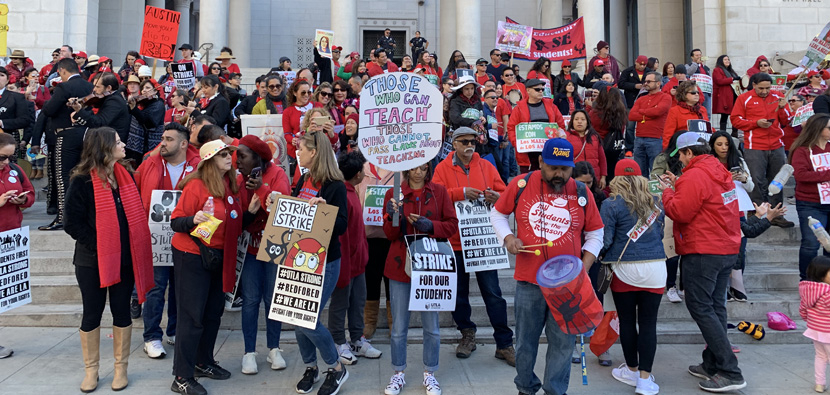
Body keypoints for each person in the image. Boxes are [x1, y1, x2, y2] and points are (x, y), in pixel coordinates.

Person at [491, 138, 604, 395]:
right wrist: (508, 238)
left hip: (568, 287)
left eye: (565, 169)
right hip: (529, 283)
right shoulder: (520, 185)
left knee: (563, 344)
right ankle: (526, 388)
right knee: (524, 344)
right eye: (553, 167)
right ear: (540, 161)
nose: (559, 174)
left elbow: (596, 232)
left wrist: (583, 269)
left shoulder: (581, 191)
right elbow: (498, 213)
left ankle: (555, 390)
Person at [64, 127, 154, 392]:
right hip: (91, 261)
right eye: (117, 141)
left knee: (121, 312)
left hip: (125, 260)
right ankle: (91, 371)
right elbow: (72, 223)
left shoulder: (125, 175)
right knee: (92, 314)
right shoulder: (81, 180)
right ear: (104, 147)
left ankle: (120, 369)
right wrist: (102, 245)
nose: (123, 144)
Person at [657, 132, 746, 393]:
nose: (680, 161)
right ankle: (713, 363)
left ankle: (730, 370)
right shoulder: (718, 169)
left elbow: (679, 211)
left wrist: (666, 192)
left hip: (704, 249)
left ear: (689, 153)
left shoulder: (695, 175)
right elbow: (703, 200)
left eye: (681, 156)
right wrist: (679, 185)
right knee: (715, 307)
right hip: (725, 247)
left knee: (701, 307)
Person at [169, 139, 249, 395]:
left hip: (218, 256)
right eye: (223, 154)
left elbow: (235, 221)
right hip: (191, 255)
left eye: (230, 153)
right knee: (192, 316)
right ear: (210, 160)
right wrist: (193, 218)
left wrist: (255, 211)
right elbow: (176, 222)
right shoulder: (196, 185)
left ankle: (203, 361)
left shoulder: (230, 183)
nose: (229, 157)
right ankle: (182, 375)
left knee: (213, 312)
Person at [433, 126, 515, 365]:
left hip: (483, 241)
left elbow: (504, 193)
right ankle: (467, 335)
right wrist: (460, 192)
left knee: (493, 293)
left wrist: (496, 197)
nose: (470, 145)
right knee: (458, 295)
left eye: (474, 141)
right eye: (465, 141)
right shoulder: (441, 168)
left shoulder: (487, 166)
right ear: (454, 143)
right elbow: (437, 196)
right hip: (455, 241)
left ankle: (504, 343)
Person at [381, 161, 458, 395]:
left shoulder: (439, 192)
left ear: (428, 169)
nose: (418, 172)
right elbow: (390, 234)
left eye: (423, 168)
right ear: (406, 168)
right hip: (400, 264)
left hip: (430, 266)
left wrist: (430, 226)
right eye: (414, 167)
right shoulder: (393, 193)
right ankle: (398, 373)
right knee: (399, 327)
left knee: (432, 326)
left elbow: (452, 225)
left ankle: (430, 373)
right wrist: (393, 217)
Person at [286, 130, 350, 395]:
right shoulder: (304, 178)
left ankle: (336, 368)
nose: (297, 152)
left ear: (314, 152)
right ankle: (311, 367)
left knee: (306, 319)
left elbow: (343, 225)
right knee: (296, 314)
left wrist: (325, 211)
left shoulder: (335, 184)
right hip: (300, 258)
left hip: (325, 261)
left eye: (301, 149)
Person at [134, 123, 200, 360]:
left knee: (180, 289)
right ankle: (151, 337)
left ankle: (173, 330)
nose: (163, 143)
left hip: (186, 238)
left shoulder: (198, 166)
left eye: (169, 139)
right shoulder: (149, 163)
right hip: (155, 238)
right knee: (155, 288)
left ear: (184, 143)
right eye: (162, 138)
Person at [601, 159, 665, 395]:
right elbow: (661, 232)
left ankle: (631, 369)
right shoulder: (656, 202)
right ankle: (645, 380)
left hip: (624, 269)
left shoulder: (610, 204)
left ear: (616, 179)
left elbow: (606, 241)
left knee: (627, 322)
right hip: (656, 267)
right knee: (649, 323)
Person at [235, 135, 291, 375]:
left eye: (243, 156)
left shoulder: (277, 175)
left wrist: (261, 188)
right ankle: (249, 352)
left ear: (258, 158)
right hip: (249, 249)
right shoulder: (238, 179)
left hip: (273, 248)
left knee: (272, 299)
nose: (238, 161)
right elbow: (237, 215)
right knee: (250, 300)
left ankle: (274, 348)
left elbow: (283, 210)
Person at [328, 150, 383, 365]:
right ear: (358, 174)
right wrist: (345, 267)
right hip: (346, 264)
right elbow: (342, 236)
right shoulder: (343, 194)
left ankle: (357, 339)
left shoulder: (350, 192)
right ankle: (338, 341)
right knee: (340, 304)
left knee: (358, 302)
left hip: (359, 263)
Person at [36, 57, 93, 231]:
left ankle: (63, 216)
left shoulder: (63, 87)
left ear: (62, 71)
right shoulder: (89, 86)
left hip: (66, 135)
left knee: (63, 178)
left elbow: (48, 110)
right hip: (86, 134)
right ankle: (82, 213)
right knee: (83, 175)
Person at [731, 73, 794, 227]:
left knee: (778, 180)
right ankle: (756, 212)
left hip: (776, 144)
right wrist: (755, 123)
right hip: (754, 145)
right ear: (753, 85)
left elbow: (787, 120)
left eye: (767, 88)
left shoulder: (778, 97)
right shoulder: (744, 98)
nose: (765, 91)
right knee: (756, 180)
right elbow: (735, 120)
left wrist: (782, 108)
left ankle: (776, 214)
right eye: (761, 88)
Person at [0, 132, 34, 359]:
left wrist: (24, 200)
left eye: (10, 157)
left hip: (10, 241)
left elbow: (30, 191)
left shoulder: (15, 170)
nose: (6, 162)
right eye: (2, 157)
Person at [790, 114, 830, 281]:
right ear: (818, 129)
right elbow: (800, 175)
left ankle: (827, 280)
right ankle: (806, 280)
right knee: (811, 244)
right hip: (810, 203)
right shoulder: (802, 150)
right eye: (829, 127)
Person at [507, 79, 566, 172]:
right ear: (528, 91)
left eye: (542, 89)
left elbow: (561, 125)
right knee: (529, 181)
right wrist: (517, 143)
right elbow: (511, 128)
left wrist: (560, 135)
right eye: (537, 89)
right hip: (527, 154)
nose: (541, 91)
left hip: (549, 151)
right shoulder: (519, 109)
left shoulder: (552, 106)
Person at [628, 71, 672, 177]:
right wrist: (649, 113)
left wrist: (642, 112)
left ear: (658, 83)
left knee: (655, 170)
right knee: (639, 171)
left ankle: (655, 193)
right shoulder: (641, 98)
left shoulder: (666, 97)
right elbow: (631, 116)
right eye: (645, 81)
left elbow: (658, 112)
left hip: (656, 138)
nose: (646, 83)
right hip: (639, 138)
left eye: (649, 81)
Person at [799, 255, 830, 394]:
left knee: (820, 356)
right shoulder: (827, 293)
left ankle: (820, 384)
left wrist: (810, 321)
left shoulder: (807, 290)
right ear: (822, 274)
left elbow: (803, 310)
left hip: (815, 330)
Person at [663, 81, 713, 149]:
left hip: (703, 148)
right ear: (683, 94)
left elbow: (708, 129)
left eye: (697, 92)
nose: (696, 94)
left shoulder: (702, 110)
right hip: (684, 149)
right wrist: (668, 152)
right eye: (693, 93)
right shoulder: (675, 111)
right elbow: (668, 135)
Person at [126, 79, 166, 163]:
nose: (144, 90)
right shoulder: (143, 103)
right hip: (137, 145)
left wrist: (134, 109)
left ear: (155, 91)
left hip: (147, 146)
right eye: (143, 88)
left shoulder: (158, 105)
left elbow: (149, 123)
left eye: (148, 88)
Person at [565, 108, 607, 186]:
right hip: (575, 178)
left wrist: (603, 177)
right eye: (576, 119)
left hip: (594, 179)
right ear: (572, 122)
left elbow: (602, 158)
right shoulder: (566, 137)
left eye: (583, 119)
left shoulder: (595, 137)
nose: (579, 122)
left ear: (587, 122)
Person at [0, 66, 34, 159]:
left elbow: (24, 120)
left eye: (1, 75)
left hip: (8, 137)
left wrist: (3, 123)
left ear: (7, 80)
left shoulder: (16, 97)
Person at [712, 55, 740, 135]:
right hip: (725, 96)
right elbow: (719, 81)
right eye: (725, 59)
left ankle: (735, 133)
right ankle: (723, 133)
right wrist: (732, 79)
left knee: (735, 115)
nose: (727, 61)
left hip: (734, 95)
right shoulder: (717, 70)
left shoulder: (732, 71)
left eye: (728, 59)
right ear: (721, 61)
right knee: (724, 115)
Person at [686, 49, 713, 116]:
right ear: (692, 57)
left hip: (706, 92)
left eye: (700, 55)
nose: (699, 56)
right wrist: (696, 64)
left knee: (707, 112)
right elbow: (689, 72)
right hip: (695, 92)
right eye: (697, 55)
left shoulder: (706, 68)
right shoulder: (688, 66)